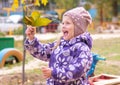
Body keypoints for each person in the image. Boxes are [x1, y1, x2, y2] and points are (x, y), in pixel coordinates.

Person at [24, 7, 93, 85]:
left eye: (67, 23)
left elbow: (77, 70)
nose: (63, 26)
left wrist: (54, 73)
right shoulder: (59, 43)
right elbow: (42, 52)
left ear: (78, 28)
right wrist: (31, 38)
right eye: (63, 23)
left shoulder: (82, 48)